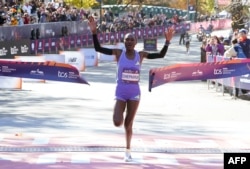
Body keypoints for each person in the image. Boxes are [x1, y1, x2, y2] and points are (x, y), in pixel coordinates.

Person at [88, 16, 175, 162]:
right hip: (121, 91)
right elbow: (98, 48)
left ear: (135, 43)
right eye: (126, 39)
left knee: (129, 124)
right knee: (117, 122)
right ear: (124, 42)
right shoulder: (118, 53)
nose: (129, 42)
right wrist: (94, 32)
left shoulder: (140, 55)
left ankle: (127, 151)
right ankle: (120, 114)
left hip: (134, 92)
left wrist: (167, 41)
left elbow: (160, 55)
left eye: (131, 40)